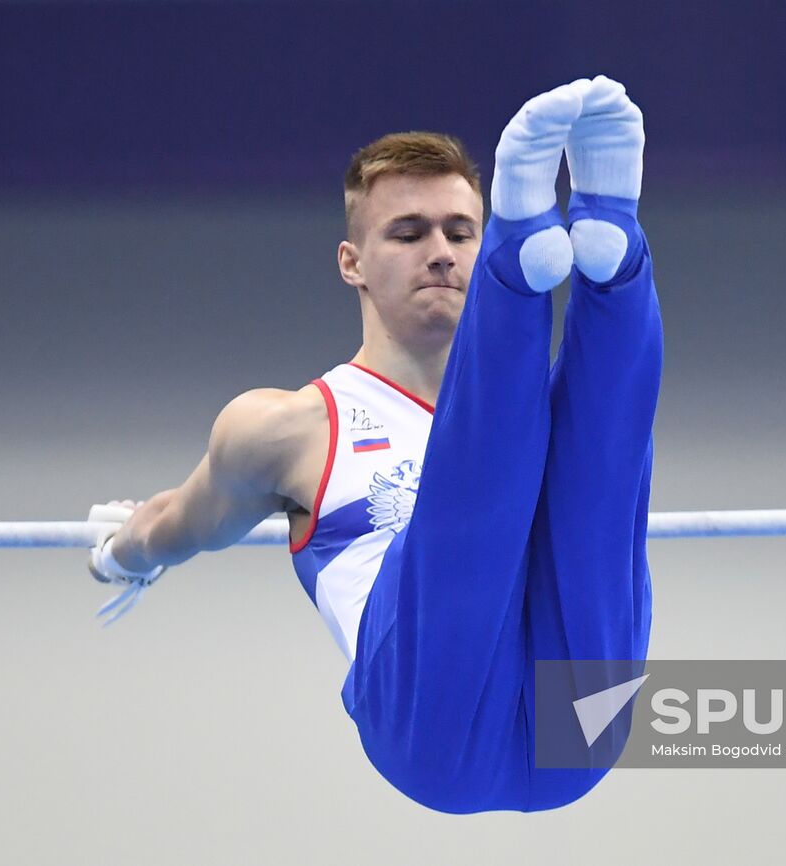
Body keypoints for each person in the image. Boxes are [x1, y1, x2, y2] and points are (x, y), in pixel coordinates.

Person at [87, 76, 663, 813]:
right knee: (474, 509)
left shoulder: (541, 412)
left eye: (462, 232)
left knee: (601, 481)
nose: (441, 253)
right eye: (409, 233)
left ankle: (612, 253)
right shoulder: (289, 428)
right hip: (433, 730)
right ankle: (521, 269)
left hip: (582, 727)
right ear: (351, 261)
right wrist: (121, 556)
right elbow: (177, 524)